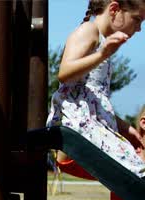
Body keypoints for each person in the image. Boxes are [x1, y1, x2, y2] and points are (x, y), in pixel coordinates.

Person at [47, 0, 145, 177]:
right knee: (137, 170)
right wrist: (102, 54)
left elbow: (94, 100)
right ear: (114, 9)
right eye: (137, 19)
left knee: (135, 164)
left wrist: (124, 127)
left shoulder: (103, 41)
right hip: (79, 129)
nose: (139, 28)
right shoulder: (89, 31)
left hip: (93, 126)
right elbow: (64, 73)